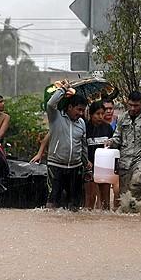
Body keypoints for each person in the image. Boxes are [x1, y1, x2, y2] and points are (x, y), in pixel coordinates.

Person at [105, 91, 141, 205]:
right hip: (124, 161)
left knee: (136, 182)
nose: (133, 108)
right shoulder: (122, 118)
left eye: (136, 105)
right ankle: (132, 211)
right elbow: (117, 137)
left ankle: (139, 205)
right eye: (130, 105)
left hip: (140, 159)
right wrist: (110, 142)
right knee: (124, 195)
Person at [46, 81, 89, 211]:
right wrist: (63, 89)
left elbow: (83, 144)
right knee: (53, 202)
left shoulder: (81, 123)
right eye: (79, 110)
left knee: (74, 204)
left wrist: (86, 162)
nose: (81, 113)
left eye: (83, 110)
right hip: (56, 165)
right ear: (70, 107)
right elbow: (50, 104)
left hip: (75, 167)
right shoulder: (56, 117)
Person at [85, 101, 114, 210]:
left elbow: (113, 147)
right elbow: (82, 147)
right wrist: (86, 161)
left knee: (105, 197)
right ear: (91, 114)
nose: (101, 116)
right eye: (97, 114)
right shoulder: (85, 128)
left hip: (104, 167)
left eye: (102, 113)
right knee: (90, 197)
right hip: (89, 166)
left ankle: (105, 219)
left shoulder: (108, 128)